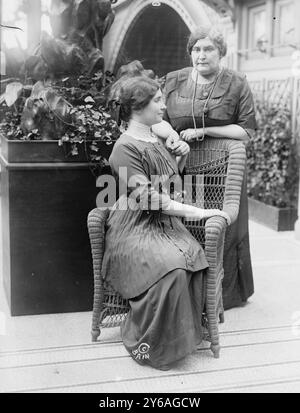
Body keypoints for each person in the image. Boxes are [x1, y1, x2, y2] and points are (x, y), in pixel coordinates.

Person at [101, 75, 230, 370]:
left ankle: (182, 338)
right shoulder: (124, 148)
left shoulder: (154, 138)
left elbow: (169, 185)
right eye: (157, 100)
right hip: (134, 227)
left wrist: (180, 159)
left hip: (165, 224)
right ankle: (151, 343)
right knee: (171, 268)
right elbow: (148, 198)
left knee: (193, 261)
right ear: (137, 107)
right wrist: (199, 212)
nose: (163, 106)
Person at [161, 26, 257, 310]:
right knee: (184, 224)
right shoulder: (173, 81)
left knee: (221, 228)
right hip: (181, 164)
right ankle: (186, 291)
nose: (201, 56)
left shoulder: (237, 83)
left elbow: (247, 131)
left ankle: (223, 297)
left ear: (221, 52)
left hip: (225, 168)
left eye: (208, 49)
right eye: (196, 50)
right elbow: (158, 116)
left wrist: (205, 131)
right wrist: (171, 135)